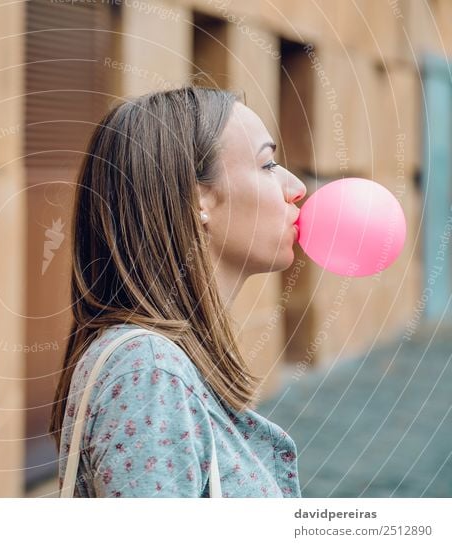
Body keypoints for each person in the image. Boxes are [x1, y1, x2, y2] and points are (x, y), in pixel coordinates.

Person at [49, 85, 308, 497]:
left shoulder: (163, 363)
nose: (296, 188)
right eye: (267, 164)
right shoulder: (149, 373)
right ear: (196, 197)